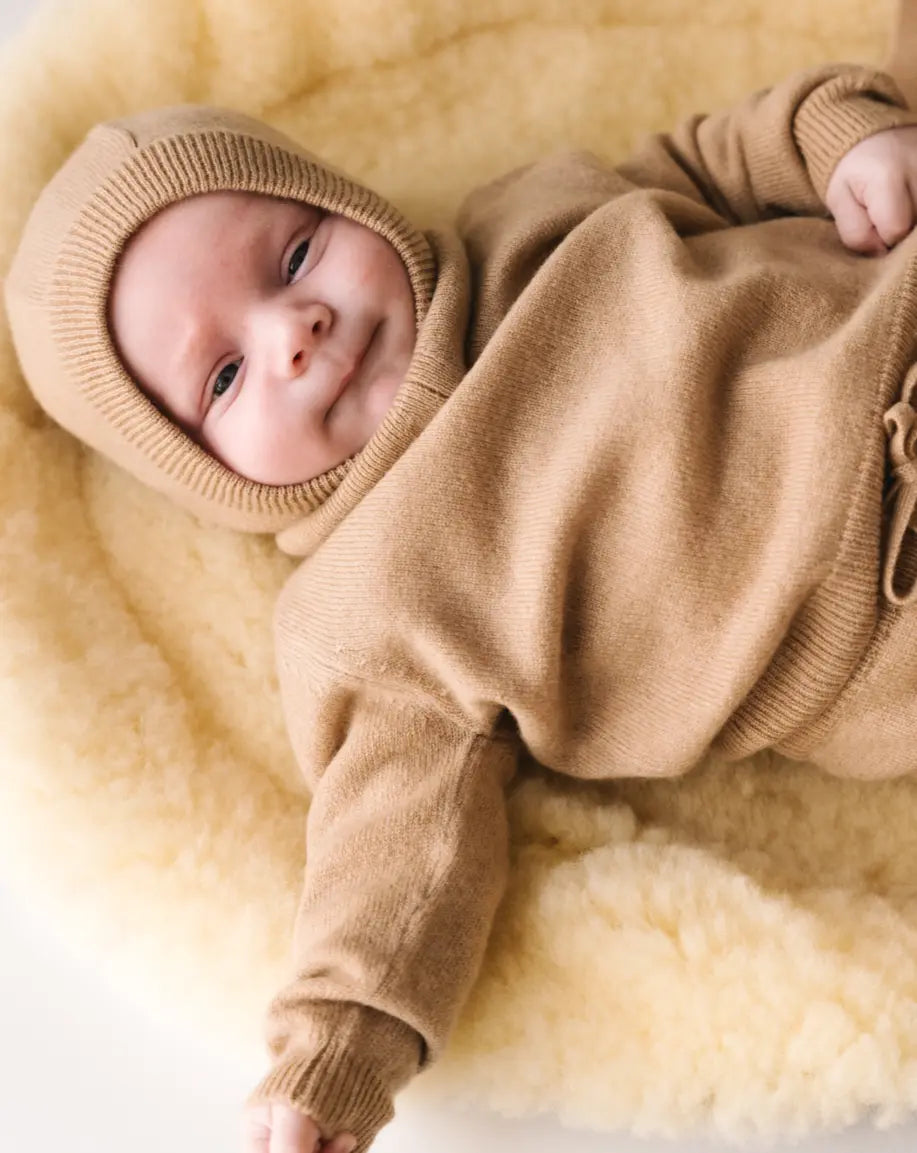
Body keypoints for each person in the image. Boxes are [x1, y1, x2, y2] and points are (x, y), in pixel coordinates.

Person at [7, 60, 917, 1153]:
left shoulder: (525, 215)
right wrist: (333, 1056)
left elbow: (712, 157)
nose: (290, 329)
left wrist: (839, 137)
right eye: (223, 379)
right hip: (877, 612)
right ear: (198, 470)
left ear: (339, 196)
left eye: (294, 254)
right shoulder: (367, 613)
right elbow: (389, 851)